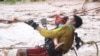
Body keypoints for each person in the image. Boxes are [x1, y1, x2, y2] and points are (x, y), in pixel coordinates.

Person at [16, 15, 83, 56]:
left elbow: (48, 34)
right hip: (58, 54)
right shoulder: (73, 34)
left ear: (74, 22)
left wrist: (35, 26)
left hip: (47, 52)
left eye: (70, 19)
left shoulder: (66, 28)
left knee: (20, 52)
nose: (67, 20)